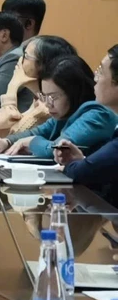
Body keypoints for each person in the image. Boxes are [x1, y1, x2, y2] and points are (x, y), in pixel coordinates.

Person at [0, 55, 118, 158]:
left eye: (53, 97)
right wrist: (6, 142)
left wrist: (32, 141)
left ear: (74, 93)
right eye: (44, 96)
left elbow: (59, 149)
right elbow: (38, 131)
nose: (47, 104)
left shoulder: (98, 114)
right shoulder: (68, 113)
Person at [0, 36, 77, 136]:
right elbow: (14, 125)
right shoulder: (37, 101)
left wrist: (12, 87)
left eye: (25, 56)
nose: (19, 61)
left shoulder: (47, 108)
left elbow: (6, 133)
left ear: (44, 65)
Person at [54, 45, 118, 206]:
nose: (95, 78)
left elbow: (80, 173)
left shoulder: (97, 113)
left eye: (101, 71)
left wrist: (74, 166)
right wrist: (82, 161)